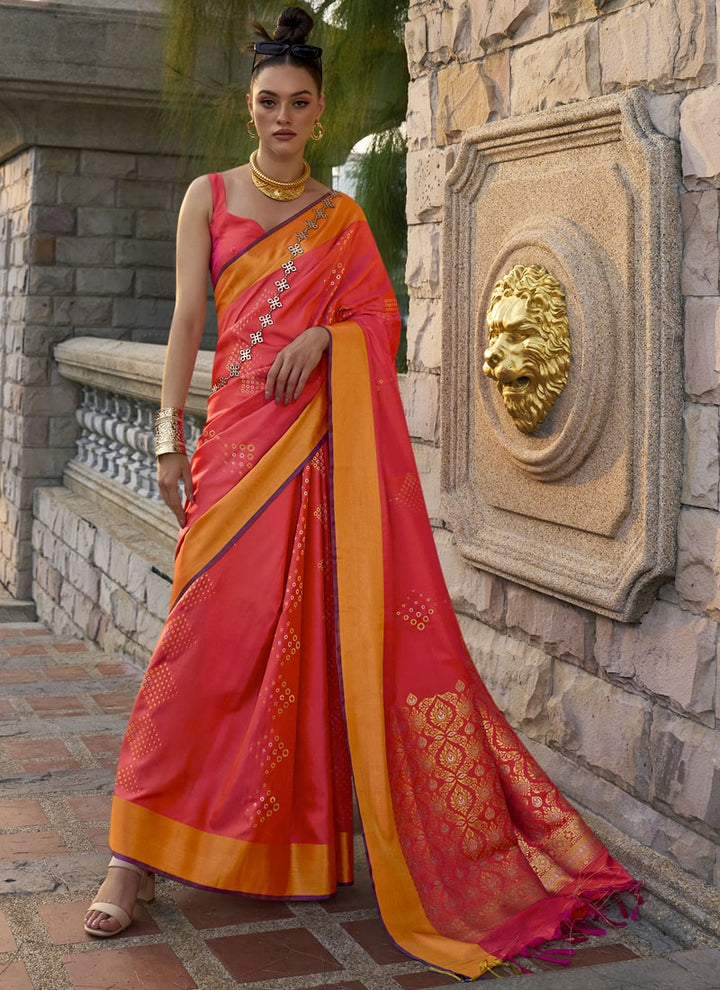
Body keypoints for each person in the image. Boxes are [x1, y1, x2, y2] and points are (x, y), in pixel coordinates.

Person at [84, 6, 639, 978]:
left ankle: (293, 845)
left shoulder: (339, 223)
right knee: (195, 647)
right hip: (231, 455)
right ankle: (130, 861)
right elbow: (183, 324)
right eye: (268, 102)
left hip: (309, 462)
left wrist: (325, 340)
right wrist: (169, 442)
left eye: (299, 103)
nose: (282, 118)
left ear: (322, 113)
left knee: (295, 655)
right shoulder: (206, 199)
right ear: (249, 107)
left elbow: (379, 322)